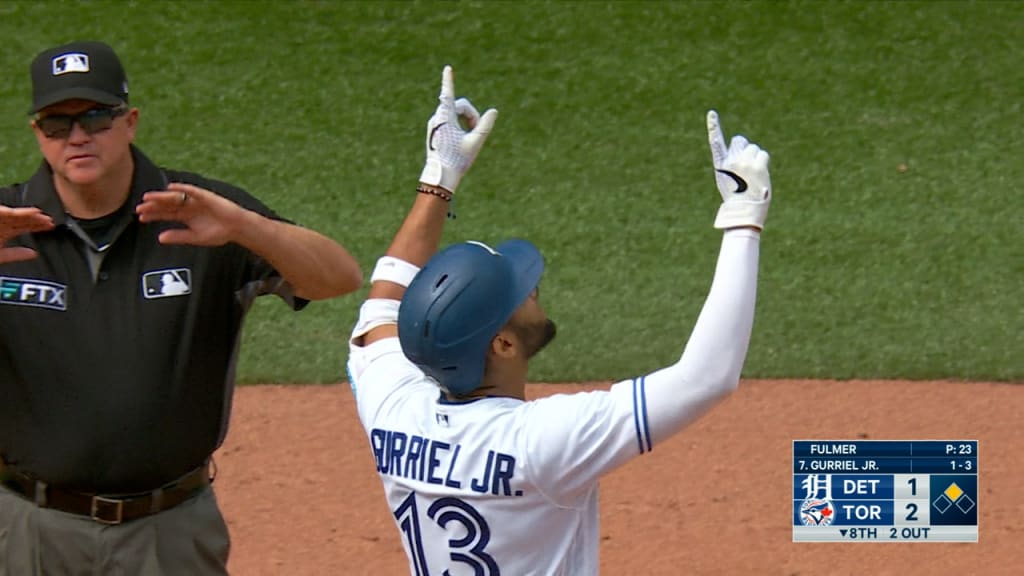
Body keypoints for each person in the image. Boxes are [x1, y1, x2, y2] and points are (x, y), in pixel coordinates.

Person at [347, 65, 772, 574]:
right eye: (519, 294)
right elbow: (707, 377)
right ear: (502, 344)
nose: (533, 288)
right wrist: (744, 217)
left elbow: (383, 302)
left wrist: (440, 177)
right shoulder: (539, 443)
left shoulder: (392, 410)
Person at [0, 40, 362, 574]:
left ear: (130, 122)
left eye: (96, 117)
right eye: (57, 122)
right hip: (30, 528)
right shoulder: (7, 222)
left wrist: (245, 227)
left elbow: (339, 278)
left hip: (167, 533)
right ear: (38, 132)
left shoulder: (200, 213)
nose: (77, 136)